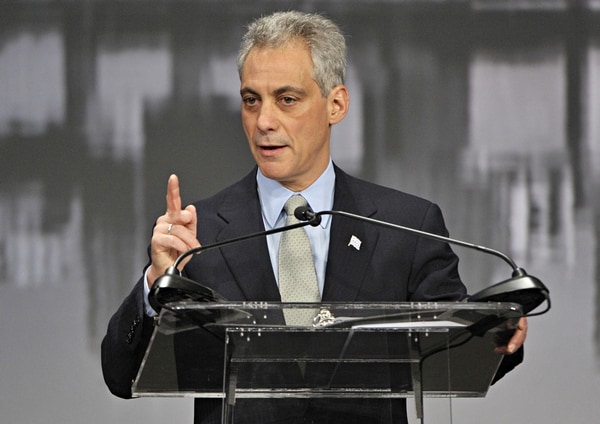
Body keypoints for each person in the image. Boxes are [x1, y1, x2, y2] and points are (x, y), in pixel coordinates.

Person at [102, 10, 527, 424]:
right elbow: (121, 374)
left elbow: (460, 351)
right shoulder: (200, 233)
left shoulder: (406, 227)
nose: (264, 121)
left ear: (335, 104)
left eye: (287, 100)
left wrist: (499, 330)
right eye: (251, 101)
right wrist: (155, 285)